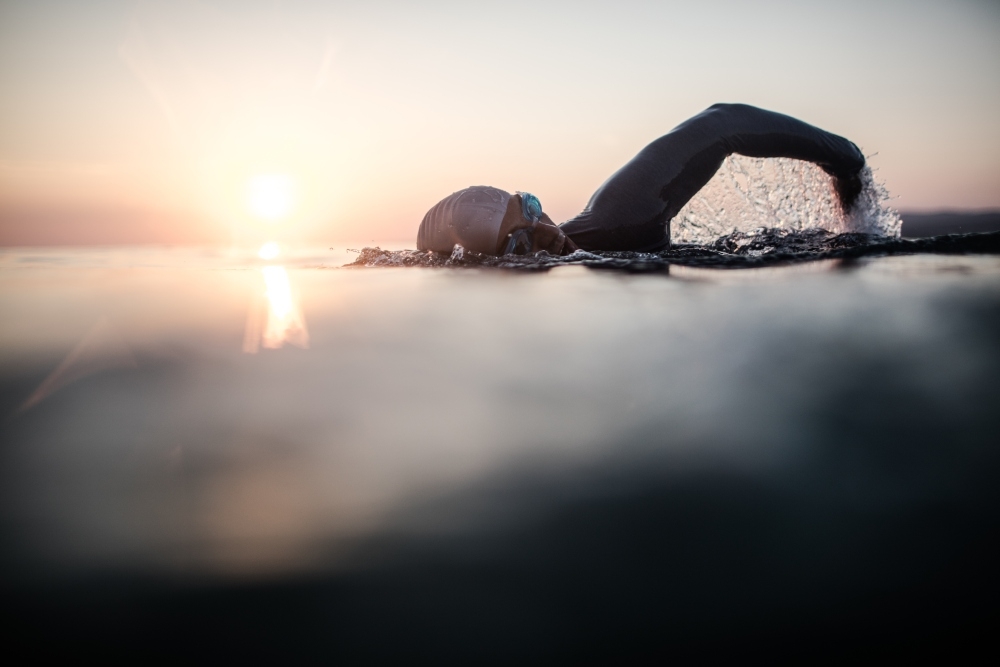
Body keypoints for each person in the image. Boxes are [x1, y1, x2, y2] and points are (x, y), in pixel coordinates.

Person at [417, 103, 866, 256]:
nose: (548, 232)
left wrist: (844, 162)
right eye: (519, 243)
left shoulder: (622, 217)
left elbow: (722, 122)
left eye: (532, 208)